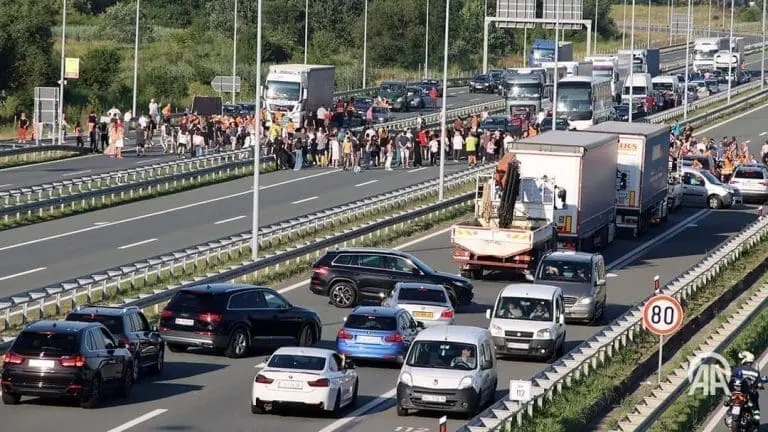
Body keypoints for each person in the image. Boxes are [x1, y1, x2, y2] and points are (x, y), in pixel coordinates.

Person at [730, 351, 768, 423]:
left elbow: (732, 378)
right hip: (748, 393)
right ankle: (756, 419)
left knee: (730, 399)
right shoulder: (755, 372)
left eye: (742, 358)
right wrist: (761, 387)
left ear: (745, 360)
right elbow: (759, 385)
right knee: (755, 402)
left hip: (736, 392)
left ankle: (730, 411)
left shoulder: (737, 369)